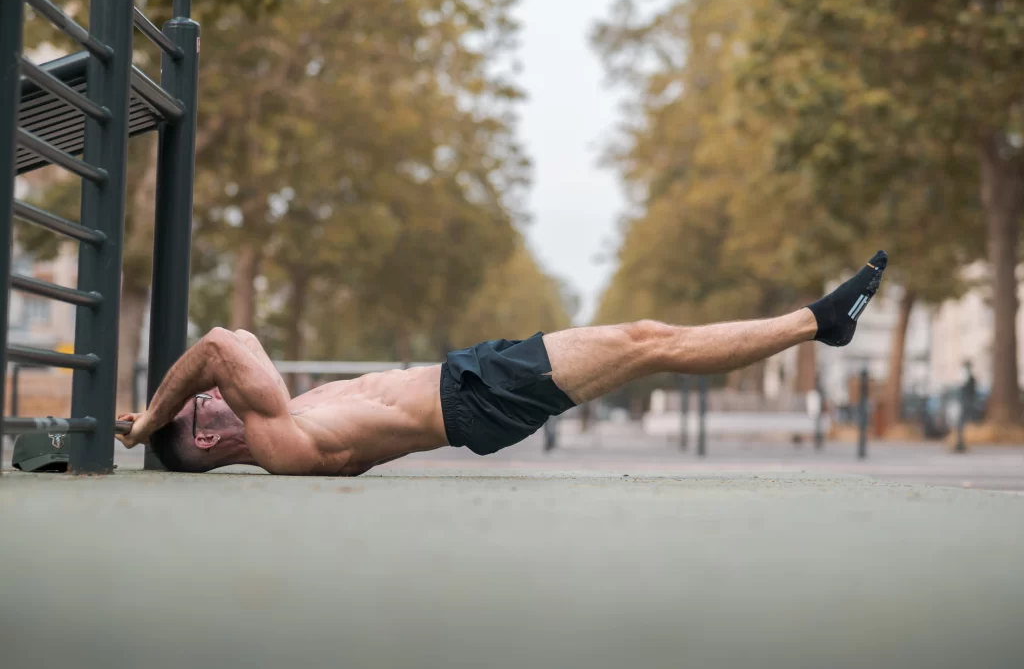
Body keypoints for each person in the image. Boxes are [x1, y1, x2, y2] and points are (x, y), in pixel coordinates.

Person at [117, 251, 888, 475]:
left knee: (647, 340)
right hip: (474, 397)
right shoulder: (281, 439)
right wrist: (155, 415)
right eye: (201, 407)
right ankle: (817, 323)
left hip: (470, 383)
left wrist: (155, 421)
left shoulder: (281, 423)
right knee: (648, 339)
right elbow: (222, 344)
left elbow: (227, 356)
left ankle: (816, 324)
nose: (211, 394)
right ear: (212, 438)